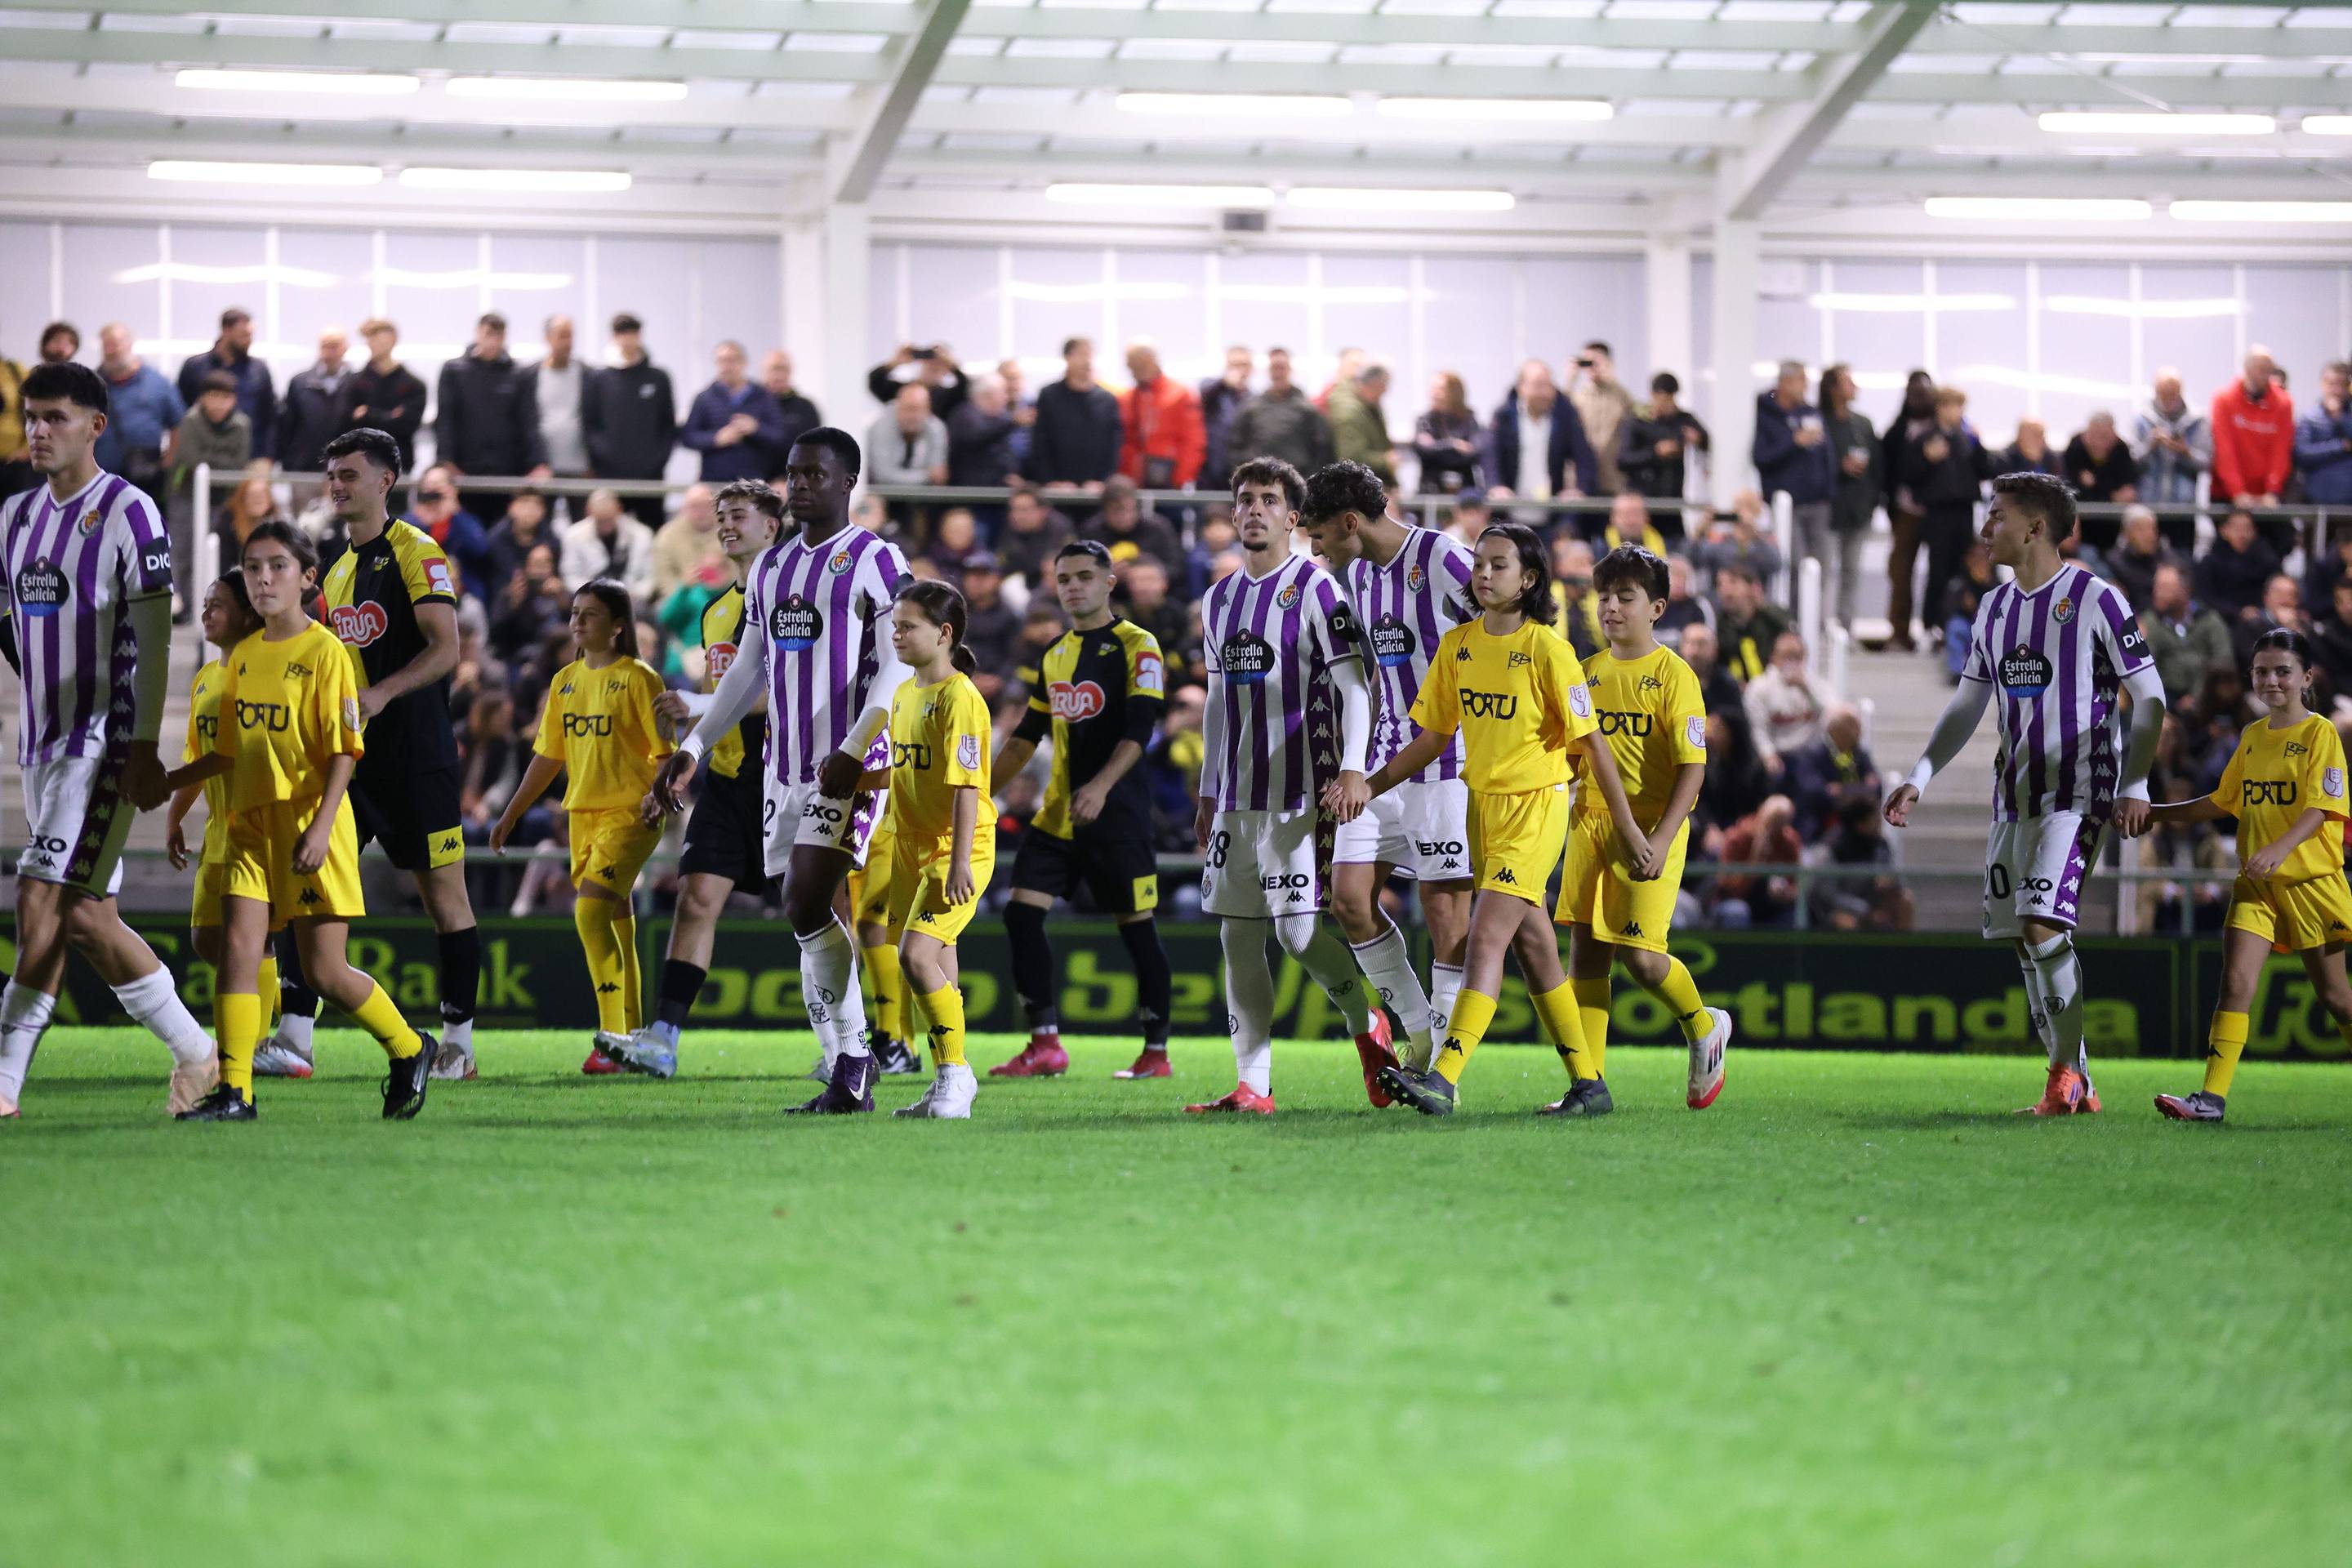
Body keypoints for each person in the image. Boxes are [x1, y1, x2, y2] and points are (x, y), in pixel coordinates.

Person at [1883, 472, 2166, 1116]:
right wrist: (1921, 774)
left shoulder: (2097, 598)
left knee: (2042, 926)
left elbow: (2150, 697)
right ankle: (2080, 1080)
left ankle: (2063, 1077)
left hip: (2080, 791)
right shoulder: (1995, 608)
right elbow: (1968, 703)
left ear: (2036, 527)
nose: (1985, 529)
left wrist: (2137, 781)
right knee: (2023, 938)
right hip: (2014, 798)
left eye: (1996, 516)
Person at [652, 428, 913, 1116]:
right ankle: (843, 1068)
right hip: (782, 768)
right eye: (794, 473)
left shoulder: (875, 559)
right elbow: (748, 669)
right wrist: (696, 745)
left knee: (805, 899)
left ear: (847, 481)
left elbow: (897, 664)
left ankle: (856, 1057)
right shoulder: (770, 568)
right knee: (805, 916)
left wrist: (857, 746)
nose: (800, 484)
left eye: (815, 474)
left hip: (852, 766)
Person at [1351, 522, 1645, 1117]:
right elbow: (1432, 738)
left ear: (1529, 578)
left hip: (1536, 810)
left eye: (1499, 565)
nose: (1484, 574)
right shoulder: (1459, 644)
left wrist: (1630, 829)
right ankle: (1590, 1085)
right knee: (1535, 946)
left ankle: (1444, 1078)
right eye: (1480, 564)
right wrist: (1369, 785)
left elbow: (1594, 746)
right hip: (1480, 810)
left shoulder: (1548, 650)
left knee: (1486, 937)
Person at [0, 362, 218, 1118]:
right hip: (41, 746)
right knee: (90, 920)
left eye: (55, 416)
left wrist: (138, 748)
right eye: (31, 416)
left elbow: (155, 645)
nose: (37, 430)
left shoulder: (131, 512)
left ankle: (2, 1084)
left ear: (97, 426)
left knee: (43, 900)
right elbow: (12, 617)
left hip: (103, 745)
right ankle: (198, 1055)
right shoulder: (16, 518)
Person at [166, 520, 438, 1121]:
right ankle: (236, 1091)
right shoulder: (243, 657)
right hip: (246, 824)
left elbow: (345, 747)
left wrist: (319, 828)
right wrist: (169, 786)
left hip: (312, 822)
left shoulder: (326, 652)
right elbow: (228, 749)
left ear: (307, 578)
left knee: (323, 971)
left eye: (278, 567)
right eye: (255, 568)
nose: (264, 579)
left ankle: (410, 1047)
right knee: (240, 951)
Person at [254, 429, 488, 1080]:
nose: (336, 485)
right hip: (351, 761)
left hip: (418, 756)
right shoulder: (335, 571)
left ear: (385, 481)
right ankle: (295, 1038)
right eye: (332, 474)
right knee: (308, 887)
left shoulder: (418, 550)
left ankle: (459, 1045)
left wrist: (382, 693)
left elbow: (447, 649)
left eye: (349, 475)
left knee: (445, 898)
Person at [1186, 457, 1388, 1116]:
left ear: (1293, 518)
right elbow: (1218, 703)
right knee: (1236, 938)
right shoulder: (1218, 600)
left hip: (1300, 793)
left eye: (1268, 500)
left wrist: (1353, 767)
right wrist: (1209, 790)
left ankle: (1369, 1024)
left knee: (1298, 936)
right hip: (1237, 801)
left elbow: (1356, 685)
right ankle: (1254, 1086)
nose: (1253, 509)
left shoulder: (1319, 588)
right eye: (1243, 498)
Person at [1298, 460, 1477, 1078]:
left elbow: (1510, 634)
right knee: (1348, 899)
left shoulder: (1446, 558)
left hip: (1449, 765)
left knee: (1446, 914)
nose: (1316, 550)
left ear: (1352, 521)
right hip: (1381, 765)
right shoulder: (1362, 580)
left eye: (1319, 535)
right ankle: (1422, 1031)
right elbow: (1376, 677)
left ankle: (1440, 1067)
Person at [2134, 630, 2352, 1125]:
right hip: (2257, 884)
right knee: (2234, 983)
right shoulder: (2252, 737)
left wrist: (2278, 849)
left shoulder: (2320, 734)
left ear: (2306, 678)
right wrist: (2158, 813)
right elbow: (2221, 801)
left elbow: (2323, 807)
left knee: (2338, 1000)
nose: (2271, 680)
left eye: (2282, 671)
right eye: (2261, 671)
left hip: (2310, 884)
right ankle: (2211, 1100)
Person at [610, 482, 785, 1078]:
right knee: (695, 899)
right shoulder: (714, 610)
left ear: (773, 527)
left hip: (791, 781)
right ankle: (663, 1039)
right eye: (722, 517)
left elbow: (781, 698)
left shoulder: (792, 602)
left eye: (740, 516)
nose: (727, 525)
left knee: (822, 913)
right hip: (732, 776)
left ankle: (858, 1041)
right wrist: (690, 751)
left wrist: (690, 701)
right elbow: (729, 698)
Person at [1550, 544, 1732, 1111]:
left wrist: (1660, 836)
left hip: (1653, 825)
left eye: (1625, 598)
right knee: (1586, 954)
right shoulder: (1587, 673)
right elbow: (1572, 759)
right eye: (1605, 597)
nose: (1611, 608)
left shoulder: (1675, 676)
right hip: (1592, 822)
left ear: (1656, 608)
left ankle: (1704, 1025)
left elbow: (1693, 766)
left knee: (1643, 957)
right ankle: (1590, 1085)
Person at [987, 542, 1174, 1078]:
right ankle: (1045, 1044)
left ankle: (1156, 1052)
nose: (1073, 586)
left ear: (1109, 582)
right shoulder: (1054, 654)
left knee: (1137, 929)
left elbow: (1143, 727)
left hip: (1119, 816)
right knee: (1021, 913)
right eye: (1064, 578)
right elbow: (1025, 738)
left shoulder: (1139, 645)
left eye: (1084, 576)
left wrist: (1100, 786)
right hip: (1058, 817)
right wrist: (979, 797)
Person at [491, 581, 673, 1072]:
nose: (577, 621)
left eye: (589, 614)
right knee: (615, 919)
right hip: (583, 814)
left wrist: (658, 796)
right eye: (574, 613)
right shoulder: (564, 681)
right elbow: (548, 757)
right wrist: (511, 813)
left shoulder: (639, 678)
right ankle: (635, 1037)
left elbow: (665, 754)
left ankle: (610, 1041)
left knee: (589, 914)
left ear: (618, 626)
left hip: (631, 814)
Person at [871, 581, 997, 1120]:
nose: (896, 634)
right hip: (909, 843)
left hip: (955, 847)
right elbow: (905, 770)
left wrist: (962, 861)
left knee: (915, 957)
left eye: (907, 626)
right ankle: (951, 1079)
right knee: (938, 966)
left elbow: (968, 786)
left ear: (944, 634)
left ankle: (955, 1076)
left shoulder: (960, 697)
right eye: (894, 625)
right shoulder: (904, 693)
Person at [163, 570, 275, 1046]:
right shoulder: (207, 677)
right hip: (217, 827)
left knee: (242, 946)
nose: (206, 613)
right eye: (205, 604)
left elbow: (230, 753)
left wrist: (161, 784)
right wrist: (173, 815)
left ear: (246, 614)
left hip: (256, 827)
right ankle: (286, 1002)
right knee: (206, 940)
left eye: (217, 605)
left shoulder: (260, 672)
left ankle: (259, 1042)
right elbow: (199, 755)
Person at [435, 313, 551, 522]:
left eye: (498, 336)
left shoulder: (519, 374)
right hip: (465, 470)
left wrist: (538, 462)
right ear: (478, 333)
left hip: (507, 471)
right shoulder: (455, 371)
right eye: (488, 334)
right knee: (469, 534)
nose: (492, 341)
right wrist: (445, 460)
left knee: (501, 531)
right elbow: (445, 418)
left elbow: (529, 419)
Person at [1899, 385, 1993, 638]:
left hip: (1964, 509)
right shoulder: (1925, 437)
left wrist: (1979, 445)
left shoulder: (1966, 438)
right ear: (1940, 408)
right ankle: (1931, 625)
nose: (1957, 412)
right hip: (1938, 512)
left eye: (1960, 407)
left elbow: (1985, 471)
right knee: (1938, 568)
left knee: (1962, 568)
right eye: (1952, 406)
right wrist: (1927, 459)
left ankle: (1955, 622)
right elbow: (1908, 476)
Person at [1751, 359, 1836, 608]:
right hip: (1789, 506)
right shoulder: (1765, 414)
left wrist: (1829, 492)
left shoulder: (1811, 413)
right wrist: (1794, 441)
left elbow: (1827, 455)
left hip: (1818, 504)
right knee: (1795, 565)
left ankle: (1816, 620)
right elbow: (1761, 457)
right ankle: (1793, 619)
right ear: (1785, 383)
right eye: (1801, 381)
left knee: (1820, 567)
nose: (1805, 387)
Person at [586, 313, 679, 530]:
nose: (627, 339)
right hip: (611, 477)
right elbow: (590, 426)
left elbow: (668, 425)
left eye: (632, 333)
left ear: (639, 336)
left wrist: (656, 461)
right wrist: (606, 459)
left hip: (651, 477)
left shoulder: (658, 378)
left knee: (652, 532)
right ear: (614, 337)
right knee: (611, 533)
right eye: (622, 333)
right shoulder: (599, 380)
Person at [1878, 369, 1939, 650]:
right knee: (1900, 572)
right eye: (1914, 394)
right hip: (1906, 511)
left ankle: (1935, 629)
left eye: (1924, 393)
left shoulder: (1946, 428)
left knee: (1940, 571)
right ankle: (1899, 631)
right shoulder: (1896, 432)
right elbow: (1889, 472)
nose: (1919, 399)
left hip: (1940, 510)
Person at [92, 322, 183, 499]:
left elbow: (178, 424)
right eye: (106, 345)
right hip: (100, 480)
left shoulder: (158, 383)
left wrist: (168, 463)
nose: (111, 351)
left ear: (129, 344)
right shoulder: (91, 384)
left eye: (115, 344)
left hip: (145, 480)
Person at [680, 340, 786, 487]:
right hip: (714, 481)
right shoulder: (704, 398)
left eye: (732, 360)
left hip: (754, 482)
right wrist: (716, 439)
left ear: (744, 362)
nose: (727, 366)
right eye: (722, 361)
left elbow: (779, 436)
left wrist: (756, 428)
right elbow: (688, 437)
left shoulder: (764, 397)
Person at [176, 307, 278, 460]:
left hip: (252, 455)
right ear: (226, 330)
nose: (249, 341)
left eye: (250, 336)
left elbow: (271, 416)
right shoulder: (195, 367)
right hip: (200, 455)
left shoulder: (259, 371)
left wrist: (269, 457)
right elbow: (180, 412)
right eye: (244, 335)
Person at [1820, 364, 1877, 630]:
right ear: (1832, 387)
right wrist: (1838, 468)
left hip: (1858, 510)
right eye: (1847, 381)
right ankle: (1818, 629)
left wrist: (1872, 502)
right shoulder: (1819, 423)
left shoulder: (1862, 424)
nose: (1854, 386)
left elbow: (1878, 465)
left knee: (1851, 573)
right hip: (1828, 511)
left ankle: (1846, 629)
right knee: (1823, 573)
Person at [1026, 336, 1123, 492]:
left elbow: (1113, 445)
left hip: (1096, 488)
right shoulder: (1049, 396)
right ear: (1068, 358)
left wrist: (1104, 481)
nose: (1087, 361)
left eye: (1090, 355)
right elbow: (1040, 442)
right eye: (1081, 354)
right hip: (1057, 487)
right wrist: (1050, 481)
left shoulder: (1106, 400)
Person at [1618, 371, 1710, 527]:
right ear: (1652, 396)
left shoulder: (1683, 420)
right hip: (1643, 502)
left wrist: (1698, 439)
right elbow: (1623, 460)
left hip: (1672, 500)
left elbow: (1706, 440)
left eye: (1669, 400)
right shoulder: (1637, 422)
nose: (1665, 405)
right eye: (1661, 400)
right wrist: (1656, 453)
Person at [1227, 346, 1334, 479]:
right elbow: (1235, 446)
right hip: (1259, 481)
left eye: (1282, 367)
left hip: (1298, 482)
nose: (1278, 373)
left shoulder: (1308, 410)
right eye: (1274, 368)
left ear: (1290, 369)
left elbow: (1322, 449)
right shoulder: (1250, 408)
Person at [337, 318, 426, 474]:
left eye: (376, 336)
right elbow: (346, 424)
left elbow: (407, 425)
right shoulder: (354, 384)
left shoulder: (413, 385)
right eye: (368, 338)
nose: (371, 343)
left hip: (398, 467)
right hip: (361, 467)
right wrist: (391, 416)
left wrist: (368, 414)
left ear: (392, 338)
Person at [2143, 562, 2237, 706]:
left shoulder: (2209, 620)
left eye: (2165, 588)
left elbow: (2223, 660)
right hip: (2166, 699)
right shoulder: (2150, 622)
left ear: (2185, 590)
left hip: (2207, 700)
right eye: (2157, 586)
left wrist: (2198, 696)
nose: (2158, 593)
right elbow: (2145, 669)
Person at [2135, 368, 2212, 539]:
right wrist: (2151, 445)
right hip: (2148, 506)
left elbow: (2207, 463)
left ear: (2180, 391)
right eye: (2163, 393)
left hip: (2183, 508)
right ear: (2155, 391)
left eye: (2172, 393)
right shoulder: (2142, 419)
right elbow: (2131, 462)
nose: (2168, 398)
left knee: (2182, 561)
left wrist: (2186, 452)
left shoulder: (2197, 422)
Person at [2212, 347, 2295, 507]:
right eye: (2261, 370)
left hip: (2267, 496)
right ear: (2247, 369)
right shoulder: (2224, 399)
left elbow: (2281, 450)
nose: (2266, 376)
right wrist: (2237, 491)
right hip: (2227, 494)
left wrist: (2272, 490)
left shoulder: (2283, 403)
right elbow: (2224, 449)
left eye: (2269, 370)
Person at [1117, 341, 1205, 490]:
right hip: (1133, 483)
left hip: (1168, 482)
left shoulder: (1180, 395)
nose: (1131, 369)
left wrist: (1181, 479)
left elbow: (1193, 441)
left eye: (1136, 363)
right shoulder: (1126, 399)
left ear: (1150, 361)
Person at [1788, 702, 1881, 842]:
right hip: (1820, 832)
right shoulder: (1811, 756)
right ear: (1835, 730)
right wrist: (1860, 790)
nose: (1860, 730)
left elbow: (1876, 789)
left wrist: (1842, 791)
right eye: (1853, 725)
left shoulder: (1861, 756)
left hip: (1859, 834)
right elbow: (1816, 793)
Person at [1744, 631, 1826, 777]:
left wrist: (1806, 689)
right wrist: (1768, 755)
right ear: (1774, 658)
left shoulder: (1815, 684)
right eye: (1787, 657)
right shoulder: (1759, 688)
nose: (1792, 662)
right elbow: (1757, 728)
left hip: (1811, 756)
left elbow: (1830, 714)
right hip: (1777, 756)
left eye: (1797, 657)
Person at [275, 326, 351, 478]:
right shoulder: (300, 383)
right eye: (325, 346)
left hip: (346, 469)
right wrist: (288, 462)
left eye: (334, 346)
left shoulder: (356, 385)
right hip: (304, 468)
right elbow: (287, 425)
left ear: (345, 348)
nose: (330, 351)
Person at [559, 487, 657, 604]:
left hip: (632, 598)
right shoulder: (573, 535)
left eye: (609, 520)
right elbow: (570, 576)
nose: (605, 525)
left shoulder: (642, 535)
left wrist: (634, 593)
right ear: (588, 512)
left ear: (619, 510)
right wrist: (592, 593)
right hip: (589, 598)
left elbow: (650, 576)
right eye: (600, 521)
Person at [526, 314, 590, 484]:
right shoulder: (530, 375)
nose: (568, 342)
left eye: (570, 335)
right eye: (562, 336)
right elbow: (527, 423)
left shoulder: (586, 374)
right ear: (548, 338)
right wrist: (536, 461)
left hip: (581, 467)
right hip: (543, 468)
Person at [2064, 412, 2141, 551]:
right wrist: (2111, 494)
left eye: (2105, 437)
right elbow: (2072, 490)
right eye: (2094, 435)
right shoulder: (2075, 448)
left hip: (2112, 529)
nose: (2099, 443)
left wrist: (2095, 484)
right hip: (2082, 531)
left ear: (2114, 435)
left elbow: (2127, 491)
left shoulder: (2121, 449)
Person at [1569, 342, 1636, 498]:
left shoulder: (1619, 395)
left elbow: (1631, 415)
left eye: (1597, 361)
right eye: (1587, 362)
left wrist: (1611, 379)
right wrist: (1571, 379)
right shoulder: (1579, 397)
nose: (1592, 367)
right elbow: (1559, 415)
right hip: (1581, 481)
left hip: (1612, 479)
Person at [2195, 506, 2282, 621]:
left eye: (2247, 528)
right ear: (2223, 530)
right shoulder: (2210, 563)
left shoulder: (2267, 561)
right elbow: (2205, 599)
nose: (2242, 534)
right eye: (2236, 528)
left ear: (2254, 532)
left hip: (2261, 619)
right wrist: (2238, 612)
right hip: (2221, 619)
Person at [1712, 561, 1792, 684]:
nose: (1725, 589)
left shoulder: (1773, 619)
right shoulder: (1719, 625)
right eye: (1720, 584)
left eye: (1733, 582)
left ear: (1754, 587)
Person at [1326, 361, 1397, 487]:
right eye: (1382, 390)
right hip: (1356, 487)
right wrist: (1385, 462)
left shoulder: (1366, 406)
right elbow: (1350, 457)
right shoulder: (1349, 412)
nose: (1382, 395)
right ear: (1374, 385)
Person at [651, 483, 722, 604]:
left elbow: (738, 573)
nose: (701, 512)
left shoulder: (730, 533)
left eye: (706, 506)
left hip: (723, 597)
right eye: (695, 507)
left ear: (716, 508)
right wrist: (683, 593)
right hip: (679, 601)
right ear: (684, 509)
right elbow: (663, 578)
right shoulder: (667, 536)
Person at [1413, 371, 1483, 495]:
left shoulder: (1469, 420)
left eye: (1440, 389)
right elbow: (1424, 451)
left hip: (1464, 492)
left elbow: (1474, 453)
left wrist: (1437, 448)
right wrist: (1454, 445)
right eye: (1432, 389)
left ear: (1454, 392)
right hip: (1431, 489)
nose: (1434, 394)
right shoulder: (1425, 421)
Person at [2296, 359, 2352, 508]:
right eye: (2331, 383)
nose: (2336, 390)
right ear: (2322, 384)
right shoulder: (2309, 418)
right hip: (2318, 500)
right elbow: (2302, 454)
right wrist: (2340, 446)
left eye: (2341, 384)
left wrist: (2339, 418)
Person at [1199, 345, 1254, 492]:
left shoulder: (1255, 400)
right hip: (1211, 475)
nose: (1239, 370)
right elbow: (1203, 396)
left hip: (1242, 476)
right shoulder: (1213, 392)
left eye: (1244, 365)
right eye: (1234, 365)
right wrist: (1224, 383)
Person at [758, 350, 823, 473]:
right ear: (763, 372)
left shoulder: (805, 408)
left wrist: (788, 478)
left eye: (783, 369)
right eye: (774, 369)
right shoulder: (753, 407)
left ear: (790, 372)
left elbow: (811, 450)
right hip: (756, 479)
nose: (778, 375)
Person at [867, 342, 968, 423]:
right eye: (931, 360)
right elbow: (875, 382)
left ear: (947, 369)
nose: (934, 366)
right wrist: (895, 362)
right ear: (923, 361)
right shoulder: (905, 391)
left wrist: (954, 366)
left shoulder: (949, 397)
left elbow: (968, 388)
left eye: (940, 363)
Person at [2102, 504, 2174, 616]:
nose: (2149, 535)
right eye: (2141, 530)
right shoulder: (2114, 563)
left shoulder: (2167, 559)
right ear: (2127, 533)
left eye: (2153, 529)